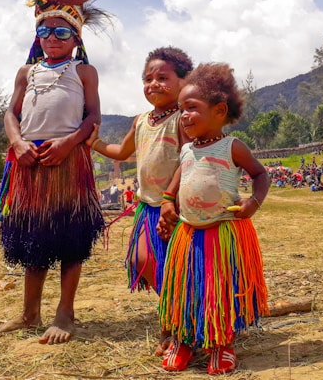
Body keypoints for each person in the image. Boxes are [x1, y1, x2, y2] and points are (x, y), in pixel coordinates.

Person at [0, 0, 110, 345]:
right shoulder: (27, 72)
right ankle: (29, 313)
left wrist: (69, 143)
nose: (52, 37)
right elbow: (11, 113)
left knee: (70, 236)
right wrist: (18, 144)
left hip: (67, 161)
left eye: (61, 32)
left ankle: (65, 312)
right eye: (45, 31)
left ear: (75, 38)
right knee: (33, 238)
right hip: (29, 163)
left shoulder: (83, 71)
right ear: (37, 35)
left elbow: (93, 117)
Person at [157, 63, 270, 375]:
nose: (184, 116)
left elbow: (260, 174)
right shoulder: (186, 149)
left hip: (222, 233)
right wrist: (168, 198)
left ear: (219, 111)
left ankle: (222, 344)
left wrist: (253, 202)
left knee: (217, 290)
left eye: (191, 108)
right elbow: (181, 173)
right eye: (181, 110)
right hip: (188, 232)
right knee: (186, 289)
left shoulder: (232, 147)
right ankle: (183, 340)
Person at [87, 46, 193, 355]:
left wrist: (171, 199)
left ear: (184, 81)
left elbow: (190, 160)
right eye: (148, 79)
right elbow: (121, 152)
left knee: (177, 267)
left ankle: (178, 325)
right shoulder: (142, 120)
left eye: (163, 77)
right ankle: (174, 311)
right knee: (143, 261)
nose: (154, 84)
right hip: (148, 207)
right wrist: (94, 143)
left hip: (177, 208)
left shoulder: (184, 119)